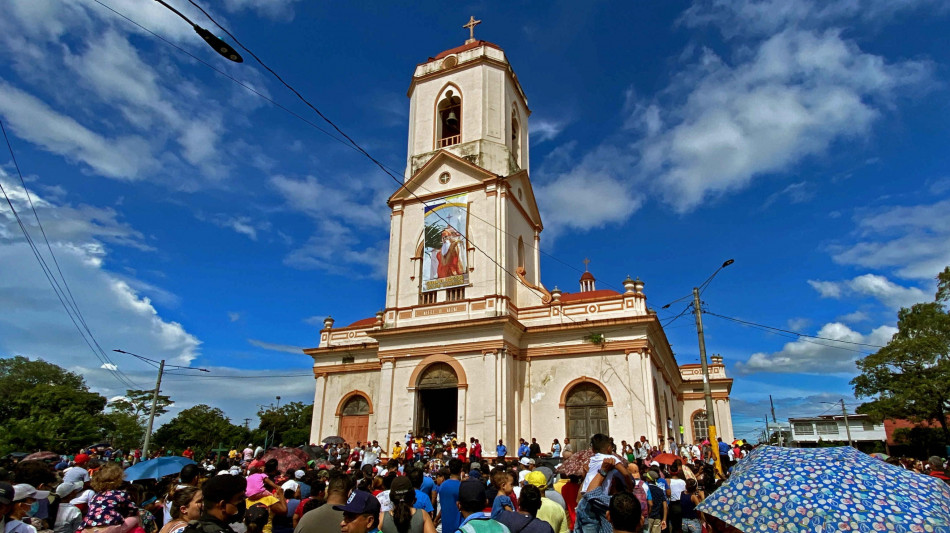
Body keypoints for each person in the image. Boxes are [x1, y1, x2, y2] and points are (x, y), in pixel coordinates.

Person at [78, 463, 139, 533]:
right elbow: (133, 509)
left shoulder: (95, 496)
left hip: (87, 529)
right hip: (109, 528)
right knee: (136, 518)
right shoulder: (120, 494)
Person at [436, 459, 463, 533]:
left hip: (446, 527)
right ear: (461, 469)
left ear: (449, 470)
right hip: (460, 527)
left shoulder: (442, 486)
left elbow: (443, 506)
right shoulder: (462, 486)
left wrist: (436, 520)